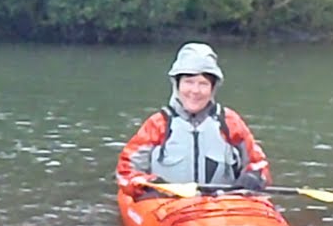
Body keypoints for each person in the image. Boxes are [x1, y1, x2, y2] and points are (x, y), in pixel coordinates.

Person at [116, 42, 271, 192]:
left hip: (222, 206)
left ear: (212, 88)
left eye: (203, 84)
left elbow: (259, 166)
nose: (195, 91)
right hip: (167, 205)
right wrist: (146, 183)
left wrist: (253, 176)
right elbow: (126, 171)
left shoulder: (230, 123)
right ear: (177, 85)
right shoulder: (158, 124)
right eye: (189, 82)